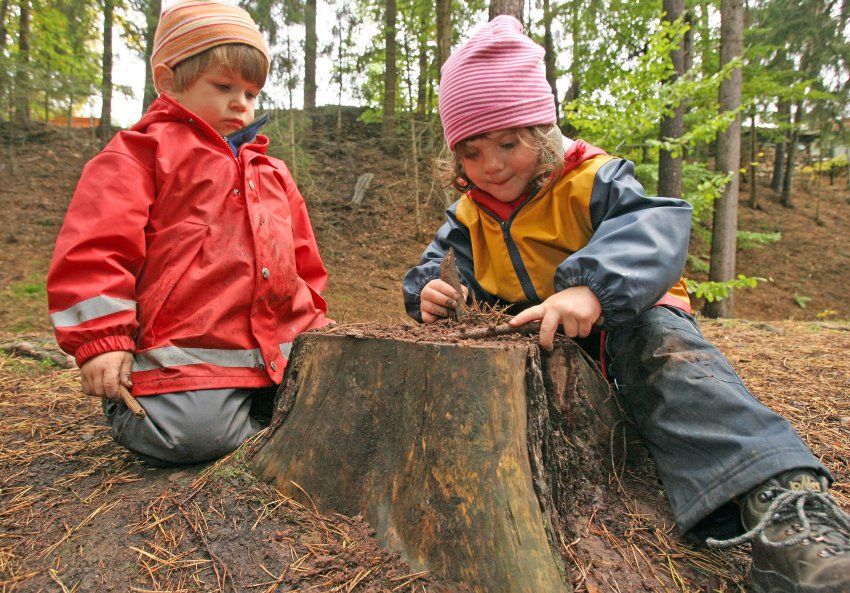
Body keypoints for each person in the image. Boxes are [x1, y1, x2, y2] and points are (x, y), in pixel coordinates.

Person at [403, 15, 849, 593]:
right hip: (542, 341)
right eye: (472, 151)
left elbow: (656, 224)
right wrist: (430, 296)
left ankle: (784, 507)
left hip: (631, 318)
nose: (491, 165)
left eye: (508, 143)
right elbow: (430, 270)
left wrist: (593, 286)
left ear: (542, 133)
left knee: (677, 372)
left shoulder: (591, 178)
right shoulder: (469, 215)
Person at [48, 0, 330, 467]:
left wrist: (313, 326)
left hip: (277, 355)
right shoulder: (138, 154)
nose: (241, 103)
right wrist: (101, 341)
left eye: (252, 93)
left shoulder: (272, 172)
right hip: (183, 361)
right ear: (167, 79)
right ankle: (149, 410)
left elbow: (305, 263)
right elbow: (96, 252)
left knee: (335, 405)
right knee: (190, 436)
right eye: (223, 86)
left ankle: (261, 422)